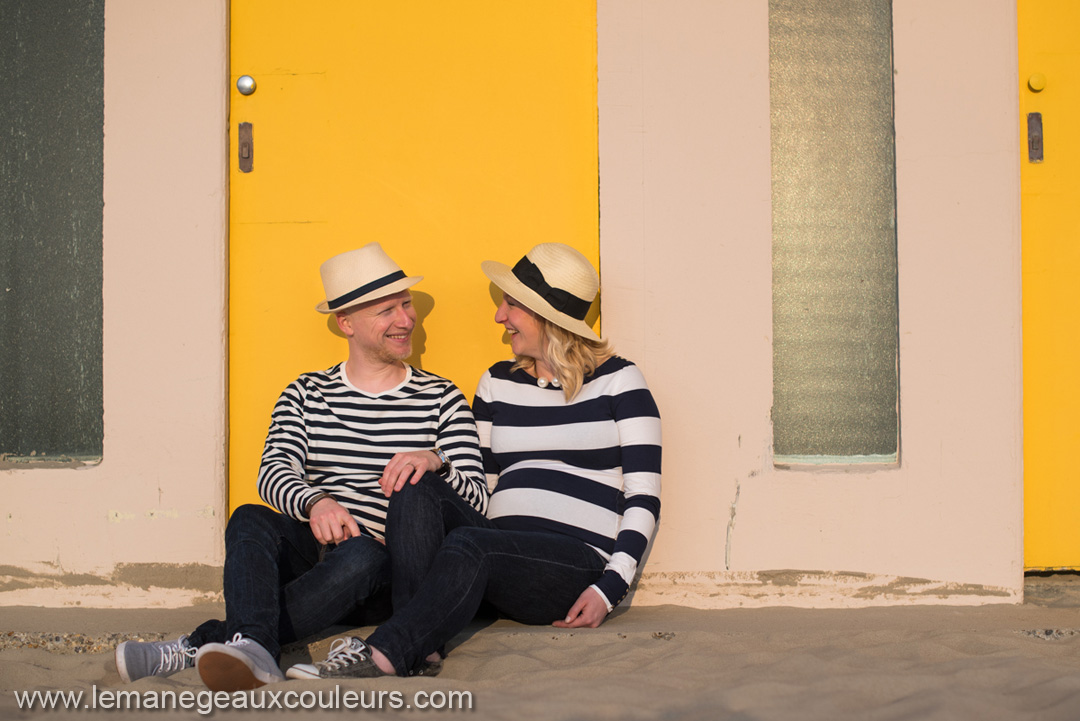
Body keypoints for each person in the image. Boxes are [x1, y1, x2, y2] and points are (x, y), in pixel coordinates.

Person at [114, 242, 488, 691]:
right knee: (250, 517)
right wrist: (317, 502)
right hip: (318, 554)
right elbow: (273, 471)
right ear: (345, 323)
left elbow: (476, 499)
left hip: (384, 568)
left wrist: (434, 461)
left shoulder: (441, 397)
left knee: (365, 555)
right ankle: (253, 645)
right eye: (387, 310)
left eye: (407, 304)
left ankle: (205, 643)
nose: (406, 320)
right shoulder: (307, 393)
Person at [288, 242, 661, 679]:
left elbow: (643, 497)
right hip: (492, 546)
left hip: (570, 563)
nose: (499, 316)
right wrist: (434, 463)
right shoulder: (496, 382)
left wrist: (609, 587)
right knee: (418, 481)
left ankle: (389, 652)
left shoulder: (620, 381)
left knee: (471, 544)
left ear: (546, 316)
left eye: (511, 305)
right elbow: (480, 488)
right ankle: (418, 644)